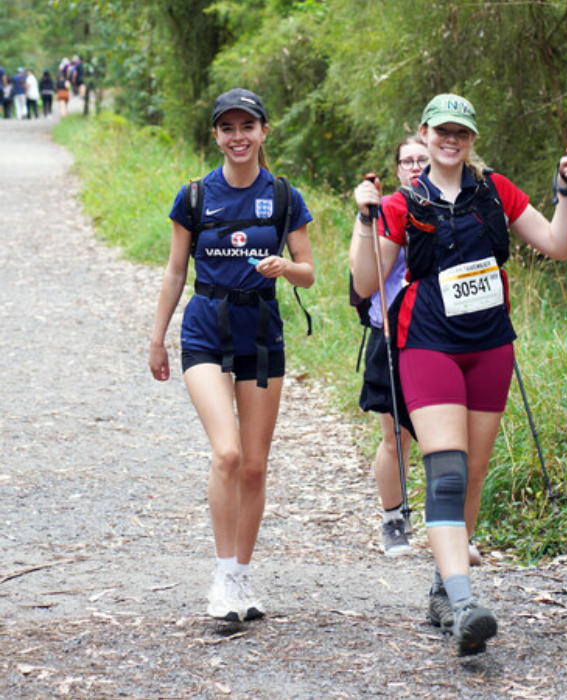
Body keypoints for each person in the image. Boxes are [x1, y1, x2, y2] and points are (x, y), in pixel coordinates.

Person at [351, 93, 567, 656]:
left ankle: (441, 589)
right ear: (426, 134)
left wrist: (565, 192)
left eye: (461, 131)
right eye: (441, 130)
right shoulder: (404, 202)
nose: (450, 139)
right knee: (448, 474)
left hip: (489, 347)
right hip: (427, 343)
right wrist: (365, 219)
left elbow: (557, 245)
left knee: (474, 475)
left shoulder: (495, 191)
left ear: (471, 138)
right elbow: (365, 284)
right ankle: (462, 602)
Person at [149, 88, 315, 623]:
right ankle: (223, 578)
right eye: (228, 127)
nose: (238, 136)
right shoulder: (195, 196)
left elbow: (308, 271)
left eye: (248, 126)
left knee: (255, 465)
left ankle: (242, 575)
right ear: (216, 135)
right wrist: (157, 337)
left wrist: (283, 268)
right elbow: (176, 270)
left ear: (264, 131)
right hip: (204, 330)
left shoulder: (285, 196)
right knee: (227, 454)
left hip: (262, 334)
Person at [349, 136, 427, 558]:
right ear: (397, 169)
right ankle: (394, 519)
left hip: (438, 331)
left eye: (422, 159)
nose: (415, 167)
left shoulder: (450, 206)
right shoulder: (386, 210)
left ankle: (451, 524)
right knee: (394, 434)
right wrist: (364, 218)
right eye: (407, 161)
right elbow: (358, 273)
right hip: (389, 332)